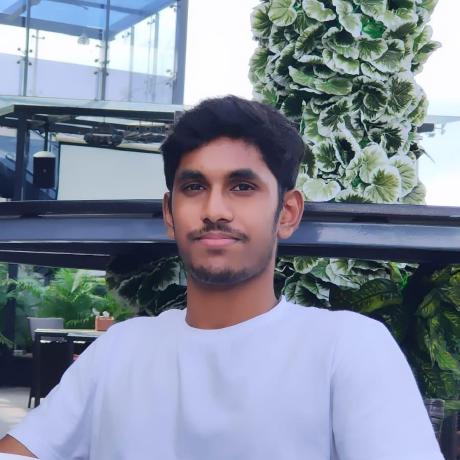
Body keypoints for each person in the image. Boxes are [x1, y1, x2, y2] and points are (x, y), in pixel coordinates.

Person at [0, 96, 444, 460]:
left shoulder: (346, 348)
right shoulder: (119, 351)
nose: (214, 210)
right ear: (170, 213)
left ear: (287, 213)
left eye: (242, 187)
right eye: (194, 187)